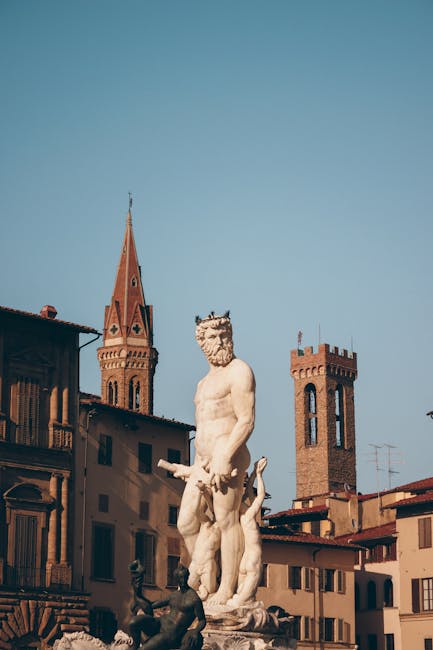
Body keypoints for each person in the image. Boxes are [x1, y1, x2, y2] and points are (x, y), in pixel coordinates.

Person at [177, 313, 255, 605]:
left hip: (229, 457)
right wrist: (195, 465)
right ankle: (207, 581)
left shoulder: (240, 371)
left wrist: (225, 455)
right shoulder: (202, 384)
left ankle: (227, 588)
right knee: (186, 523)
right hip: (202, 462)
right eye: (212, 337)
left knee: (226, 521)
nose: (220, 341)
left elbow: (246, 420)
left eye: (224, 335)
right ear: (202, 343)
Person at [128, 564, 206, 650]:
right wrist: (138, 594)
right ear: (176, 579)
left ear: (188, 577)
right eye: (180, 578)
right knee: (133, 622)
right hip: (159, 623)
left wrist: (196, 631)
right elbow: (150, 606)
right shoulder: (174, 595)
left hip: (170, 633)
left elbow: (202, 620)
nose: (183, 580)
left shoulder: (194, 599)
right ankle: (134, 646)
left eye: (184, 577)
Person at [227, 457, 268, 606]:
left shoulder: (239, 517)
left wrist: (252, 475)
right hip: (253, 557)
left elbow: (249, 493)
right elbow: (260, 496)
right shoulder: (249, 517)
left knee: (238, 599)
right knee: (245, 602)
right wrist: (259, 475)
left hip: (244, 560)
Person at [188, 481, 221, 600]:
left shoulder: (224, 531)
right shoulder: (206, 523)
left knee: (210, 592)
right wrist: (200, 492)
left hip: (208, 564)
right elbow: (197, 511)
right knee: (185, 589)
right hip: (195, 563)